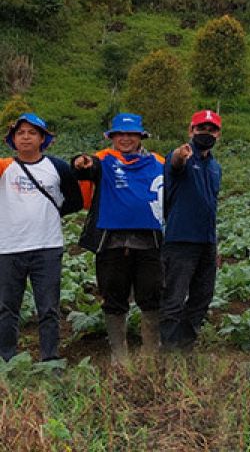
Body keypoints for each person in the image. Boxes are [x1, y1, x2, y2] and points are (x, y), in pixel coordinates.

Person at [74, 112, 166, 363]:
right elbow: (86, 166)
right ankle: (119, 354)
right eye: (120, 134)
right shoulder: (103, 160)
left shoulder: (159, 162)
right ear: (112, 137)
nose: (125, 139)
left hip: (149, 242)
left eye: (131, 134)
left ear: (140, 136)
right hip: (111, 242)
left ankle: (150, 351)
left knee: (151, 295)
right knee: (113, 297)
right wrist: (81, 162)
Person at [0, 113, 83, 362]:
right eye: (21, 133)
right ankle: (6, 360)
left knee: (48, 309)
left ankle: (50, 360)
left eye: (32, 133)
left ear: (43, 139)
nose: (26, 137)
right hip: (8, 247)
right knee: (6, 309)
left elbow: (75, 201)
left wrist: (48, 212)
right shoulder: (4, 167)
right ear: (13, 139)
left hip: (47, 247)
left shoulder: (58, 168)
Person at [160, 109, 223, 352]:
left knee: (202, 297)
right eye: (201, 129)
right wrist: (179, 155)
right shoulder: (183, 157)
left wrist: (215, 243)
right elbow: (175, 164)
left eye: (212, 130)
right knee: (174, 297)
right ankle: (167, 349)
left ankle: (184, 346)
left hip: (206, 241)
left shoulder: (214, 166)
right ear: (191, 130)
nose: (206, 134)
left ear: (218, 134)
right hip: (181, 240)